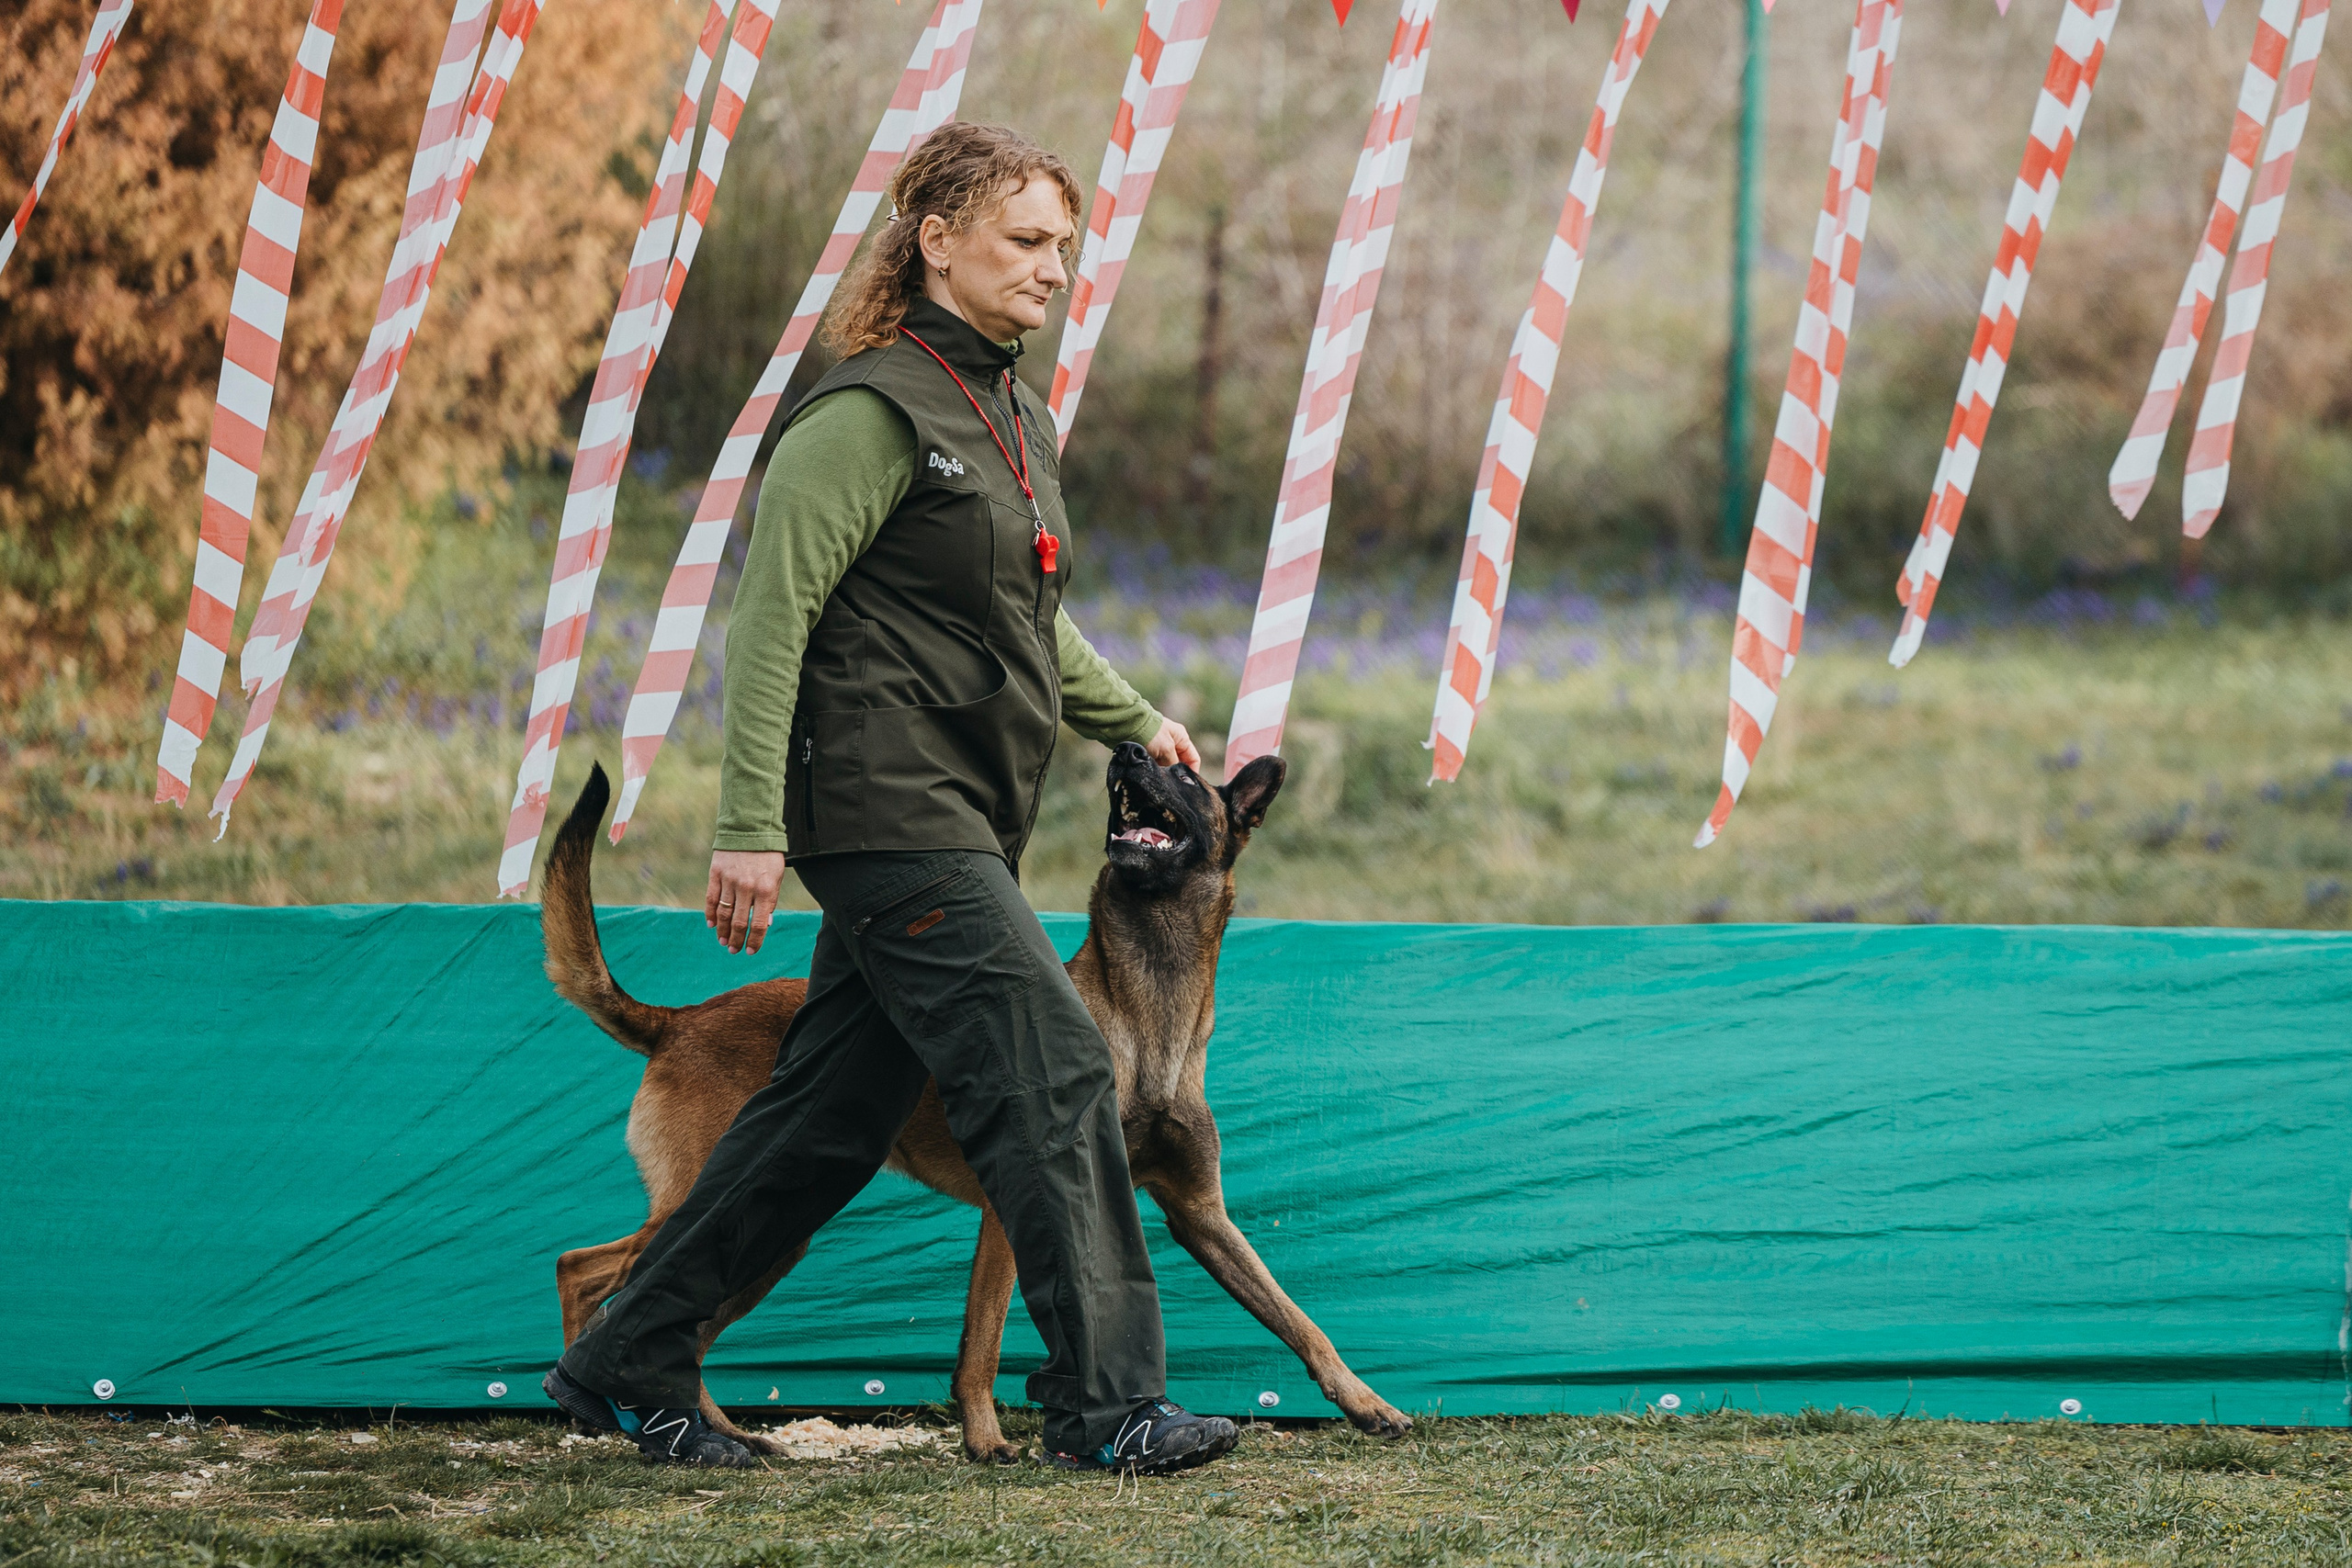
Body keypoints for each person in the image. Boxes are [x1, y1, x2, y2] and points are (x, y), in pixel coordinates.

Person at [543, 122, 1238, 1477]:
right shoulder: (867, 414)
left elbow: (1027, 618)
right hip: (886, 815)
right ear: (936, 240)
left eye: (1063, 244)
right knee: (1055, 1064)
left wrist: (1131, 713)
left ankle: (631, 1354)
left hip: (961, 816)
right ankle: (1108, 1404)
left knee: (828, 1118)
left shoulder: (1015, 417)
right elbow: (773, 618)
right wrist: (750, 824)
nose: (1053, 268)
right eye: (1025, 240)